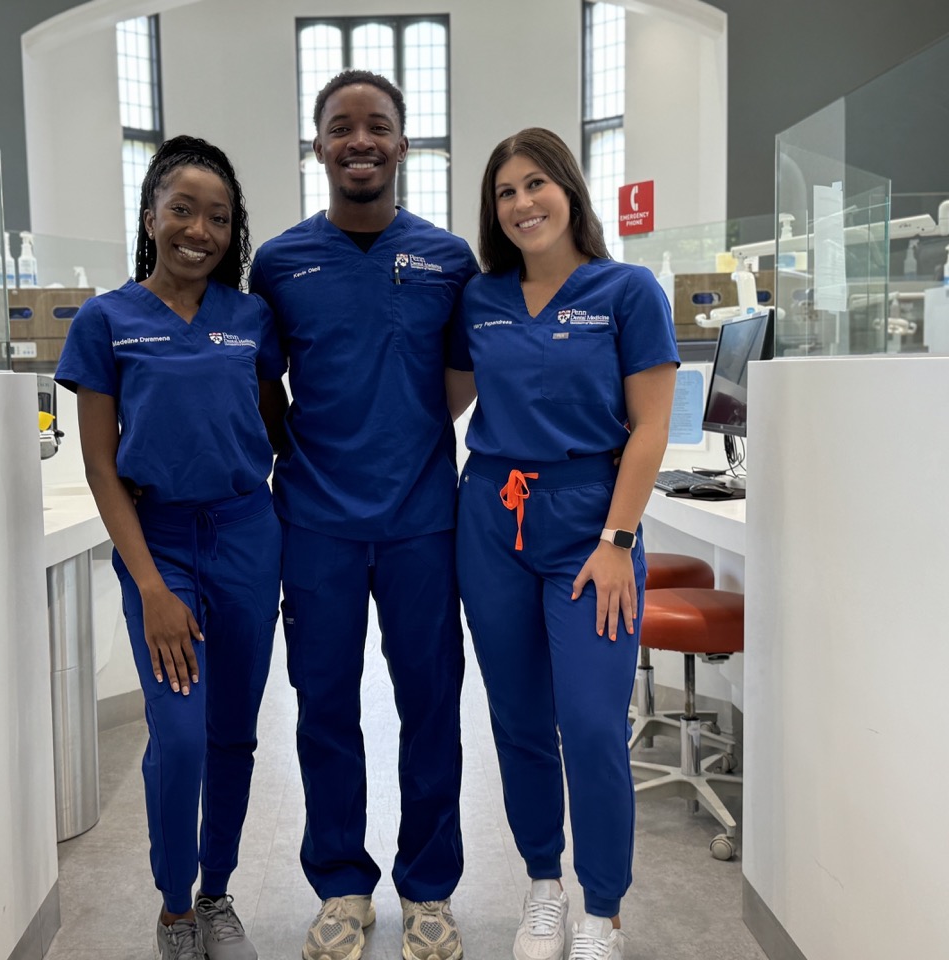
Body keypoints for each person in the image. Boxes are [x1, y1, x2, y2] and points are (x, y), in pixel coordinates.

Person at [250, 70, 477, 960]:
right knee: (323, 709)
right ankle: (342, 885)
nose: (359, 140)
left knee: (432, 707)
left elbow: (457, 383)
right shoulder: (279, 263)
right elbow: (266, 387)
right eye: (341, 127)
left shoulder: (448, 258)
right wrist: (316, 454)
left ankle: (429, 888)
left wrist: (400, 437)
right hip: (317, 526)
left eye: (377, 126)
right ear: (318, 147)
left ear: (402, 144)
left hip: (422, 520)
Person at [452, 128, 678, 960]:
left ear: (570, 190)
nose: (521, 204)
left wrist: (618, 537)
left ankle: (604, 910)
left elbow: (650, 427)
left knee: (588, 723)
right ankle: (543, 884)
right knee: (516, 718)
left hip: (592, 526)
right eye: (505, 192)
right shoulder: (480, 299)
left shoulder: (627, 292)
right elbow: (438, 400)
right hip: (493, 519)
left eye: (535, 184)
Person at [54, 136, 283, 960]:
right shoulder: (107, 321)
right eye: (182, 209)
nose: (199, 229)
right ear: (150, 215)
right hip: (161, 546)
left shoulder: (251, 319)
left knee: (233, 733)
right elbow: (99, 466)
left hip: (248, 534)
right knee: (179, 731)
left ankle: (216, 894)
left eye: (218, 217)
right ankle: (174, 907)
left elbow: (274, 423)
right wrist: (150, 584)